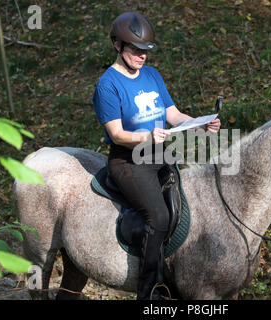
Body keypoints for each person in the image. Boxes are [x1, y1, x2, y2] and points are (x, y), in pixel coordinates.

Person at [92, 12, 220, 300]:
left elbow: (172, 115)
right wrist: (146, 137)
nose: (142, 56)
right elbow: (116, 134)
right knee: (158, 217)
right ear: (117, 46)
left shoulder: (152, 75)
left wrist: (201, 121)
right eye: (135, 50)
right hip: (128, 161)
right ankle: (150, 290)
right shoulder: (107, 85)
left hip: (160, 153)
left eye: (145, 51)